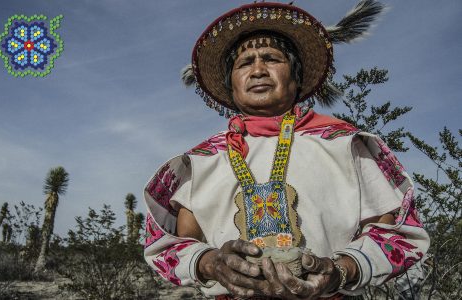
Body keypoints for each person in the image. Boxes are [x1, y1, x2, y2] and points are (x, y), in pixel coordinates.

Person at [143, 1, 429, 299]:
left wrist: (341, 269)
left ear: (297, 76)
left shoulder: (345, 144)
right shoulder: (202, 161)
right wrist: (211, 263)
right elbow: (176, 245)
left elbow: (393, 236)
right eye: (244, 63)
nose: (258, 70)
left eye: (271, 58)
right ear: (231, 86)